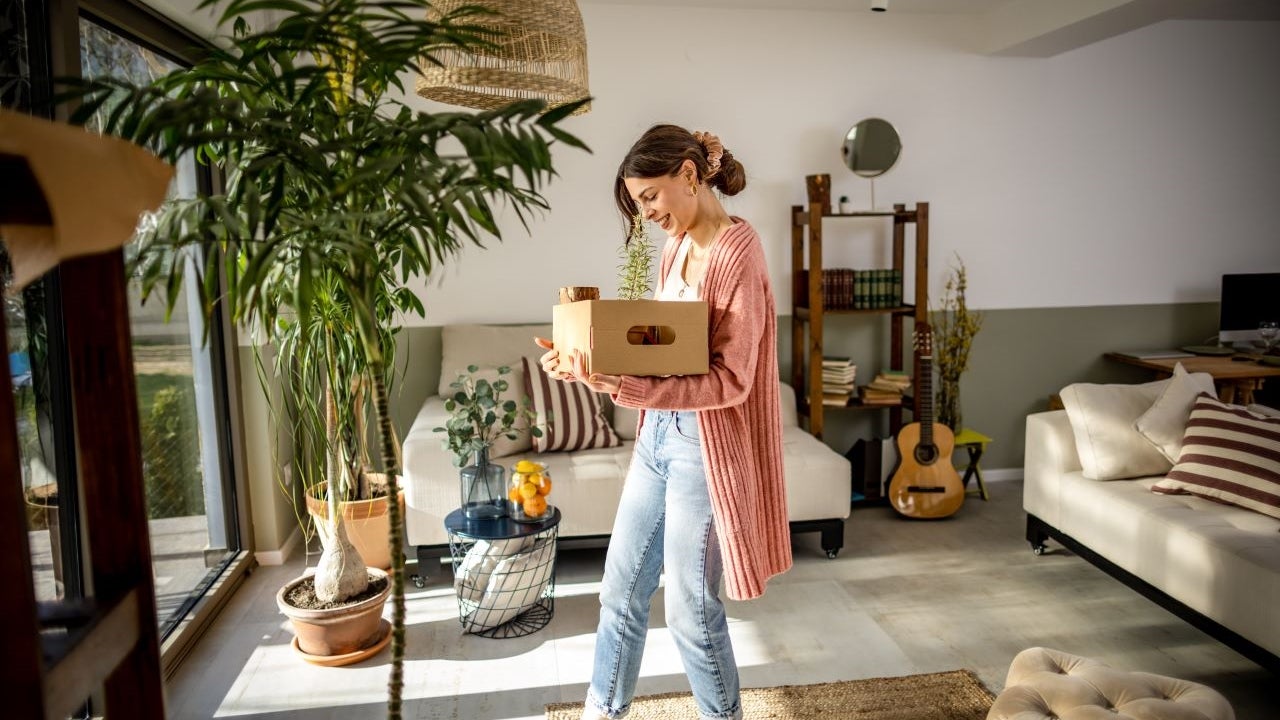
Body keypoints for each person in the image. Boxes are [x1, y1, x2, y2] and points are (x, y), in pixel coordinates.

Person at [535, 124, 791, 720]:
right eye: (638, 202)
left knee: (690, 612)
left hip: (706, 449)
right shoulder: (676, 247)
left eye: (650, 196)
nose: (646, 213)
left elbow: (732, 381)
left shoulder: (738, 255)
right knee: (618, 593)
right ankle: (604, 712)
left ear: (689, 174)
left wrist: (621, 384)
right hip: (657, 436)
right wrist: (590, 360)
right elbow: (663, 346)